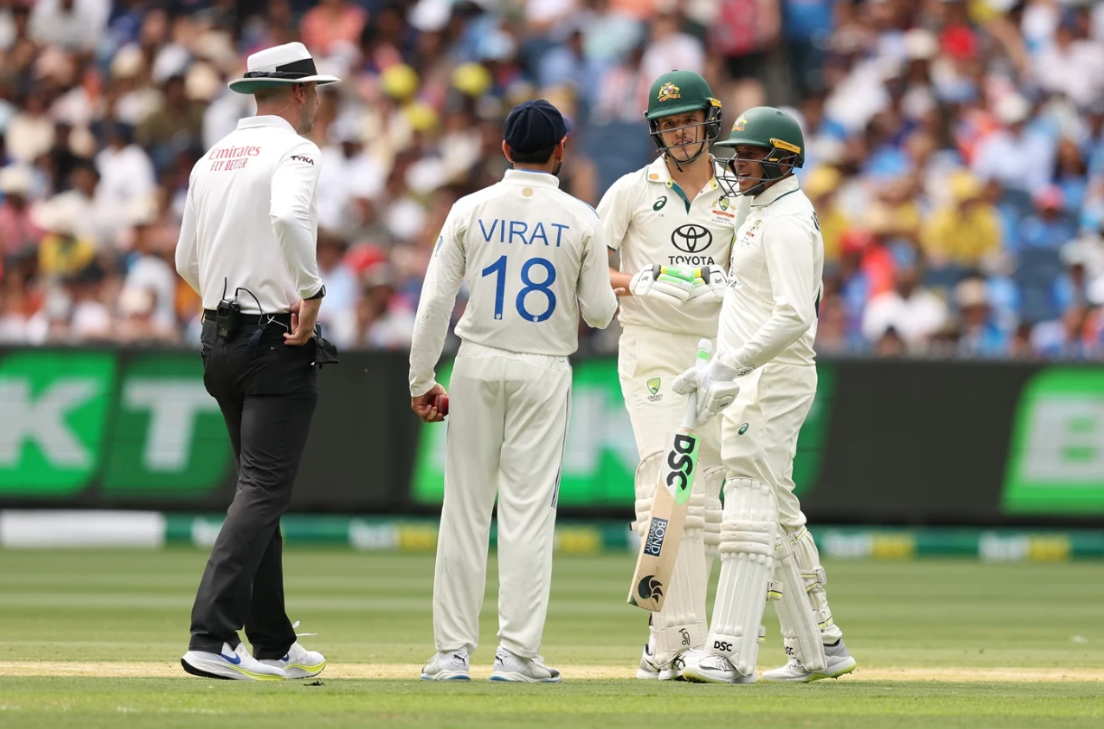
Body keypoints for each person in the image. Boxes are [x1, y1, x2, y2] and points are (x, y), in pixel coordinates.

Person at [409, 99, 618, 683]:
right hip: (544, 367)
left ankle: (451, 655)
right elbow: (600, 314)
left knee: (465, 511)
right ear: (560, 151)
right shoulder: (581, 217)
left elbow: (433, 305)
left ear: (504, 149)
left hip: (476, 363)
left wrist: (421, 380)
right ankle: (517, 655)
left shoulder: (469, 208)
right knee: (527, 515)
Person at [672, 106, 856, 683]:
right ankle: (819, 644)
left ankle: (729, 651)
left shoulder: (787, 220)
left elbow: (795, 315)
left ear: (781, 158)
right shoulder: (761, 210)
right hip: (751, 376)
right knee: (774, 508)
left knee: (749, 499)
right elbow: (752, 297)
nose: (737, 164)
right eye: (736, 155)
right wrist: (715, 361)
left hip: (772, 376)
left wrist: (732, 362)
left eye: (749, 155)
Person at [174, 42, 339, 682]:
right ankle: (209, 635)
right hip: (276, 340)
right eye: (316, 90)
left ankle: (271, 642)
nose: (319, 101)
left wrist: (224, 301)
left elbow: (187, 260)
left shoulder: (212, 158)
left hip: (220, 339)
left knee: (257, 493)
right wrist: (311, 290)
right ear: (299, 93)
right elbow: (289, 213)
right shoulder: (297, 150)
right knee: (263, 490)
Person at [596, 69, 742, 679]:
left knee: (704, 501)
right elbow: (587, 273)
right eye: (669, 124)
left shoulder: (739, 193)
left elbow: (762, 277)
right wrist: (636, 280)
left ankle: (667, 647)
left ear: (707, 120)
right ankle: (682, 638)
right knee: (664, 480)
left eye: (688, 120)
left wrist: (729, 285)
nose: (680, 133)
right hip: (653, 351)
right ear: (656, 131)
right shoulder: (630, 191)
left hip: (719, 356)